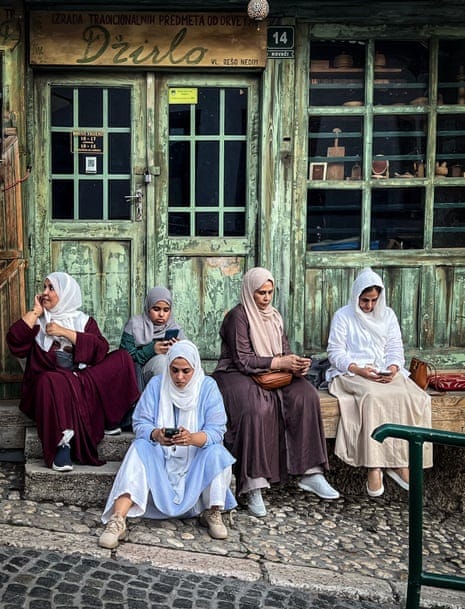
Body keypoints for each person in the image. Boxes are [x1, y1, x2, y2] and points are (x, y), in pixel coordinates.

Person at [212, 267, 339, 518]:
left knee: (306, 395)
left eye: (270, 292)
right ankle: (254, 484)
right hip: (234, 373)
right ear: (250, 291)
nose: (266, 298)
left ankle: (310, 472)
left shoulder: (274, 316)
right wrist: (281, 363)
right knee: (256, 407)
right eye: (261, 293)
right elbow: (243, 360)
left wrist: (296, 364)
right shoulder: (238, 316)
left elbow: (283, 351)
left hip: (271, 371)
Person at [99, 340, 236, 548]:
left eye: (186, 371)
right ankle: (118, 519)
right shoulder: (157, 384)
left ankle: (213, 511)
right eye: (174, 370)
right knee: (139, 448)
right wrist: (156, 434)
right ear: (168, 366)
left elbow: (217, 430)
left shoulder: (207, 387)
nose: (179, 377)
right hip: (161, 460)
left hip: (194, 462)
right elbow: (141, 423)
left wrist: (192, 438)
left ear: (195, 368)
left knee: (217, 453)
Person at [6, 272, 140, 472]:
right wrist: (35, 312)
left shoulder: (83, 321)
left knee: (121, 358)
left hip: (81, 380)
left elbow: (100, 350)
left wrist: (64, 332)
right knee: (48, 380)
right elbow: (15, 341)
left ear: (66, 293)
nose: (45, 293)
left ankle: (114, 418)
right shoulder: (37, 323)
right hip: (53, 386)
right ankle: (62, 445)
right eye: (44, 287)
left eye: (51, 288)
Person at [326, 267, 433, 497]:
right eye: (364, 300)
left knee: (412, 396)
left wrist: (393, 368)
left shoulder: (388, 315)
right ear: (356, 296)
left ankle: (399, 462)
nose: (369, 306)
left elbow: (395, 348)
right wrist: (359, 369)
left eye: (374, 300)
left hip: (383, 371)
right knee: (373, 397)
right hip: (352, 372)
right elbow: (335, 352)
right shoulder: (344, 316)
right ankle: (374, 465)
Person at [120, 286, 187, 390]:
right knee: (161, 362)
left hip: (175, 374)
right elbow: (124, 359)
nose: (161, 314)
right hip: (140, 375)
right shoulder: (134, 325)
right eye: (156, 309)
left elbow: (189, 357)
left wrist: (178, 348)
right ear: (148, 308)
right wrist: (152, 349)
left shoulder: (174, 328)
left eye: (166, 310)